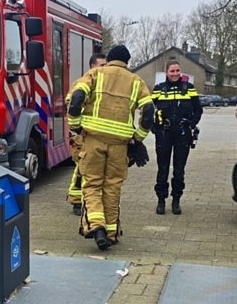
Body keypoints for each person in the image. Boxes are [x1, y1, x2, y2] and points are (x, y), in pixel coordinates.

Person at [67, 44, 154, 250]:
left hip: (93, 140)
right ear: (126, 62)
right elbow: (149, 111)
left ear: (111, 58)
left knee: (92, 185)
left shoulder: (95, 74)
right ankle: (112, 233)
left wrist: (75, 125)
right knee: (113, 187)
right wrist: (138, 137)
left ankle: (97, 227)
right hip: (120, 145)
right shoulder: (136, 81)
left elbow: (76, 98)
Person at [151, 61, 203, 215]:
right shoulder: (159, 89)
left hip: (182, 133)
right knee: (162, 169)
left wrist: (191, 125)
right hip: (164, 134)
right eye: (172, 71)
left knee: (179, 170)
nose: (175, 74)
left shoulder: (189, 88)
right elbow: (148, 108)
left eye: (177, 71)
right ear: (166, 72)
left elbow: (198, 110)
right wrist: (154, 128)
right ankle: (161, 200)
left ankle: (176, 200)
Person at [66, 52, 106, 215]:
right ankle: (76, 201)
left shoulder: (104, 84)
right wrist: (79, 127)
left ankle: (91, 200)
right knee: (81, 168)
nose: (105, 68)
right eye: (102, 65)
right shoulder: (81, 83)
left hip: (97, 135)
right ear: (93, 67)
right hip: (83, 134)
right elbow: (70, 105)